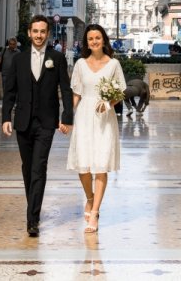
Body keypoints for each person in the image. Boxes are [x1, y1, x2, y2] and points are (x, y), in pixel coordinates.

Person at [2, 15, 73, 237]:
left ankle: (32, 218)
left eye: (43, 31)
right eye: (35, 31)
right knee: (27, 168)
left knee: (38, 167)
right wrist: (6, 117)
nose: (39, 35)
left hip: (46, 122)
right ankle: (33, 208)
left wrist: (67, 116)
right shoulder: (19, 60)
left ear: (48, 33)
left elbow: (66, 88)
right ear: (29, 33)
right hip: (22, 121)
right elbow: (10, 91)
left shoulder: (57, 58)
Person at [67, 23, 126, 233]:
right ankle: (89, 198)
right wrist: (66, 117)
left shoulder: (114, 65)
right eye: (90, 38)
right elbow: (76, 93)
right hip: (84, 116)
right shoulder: (80, 64)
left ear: (104, 40)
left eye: (98, 38)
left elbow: (120, 92)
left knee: (100, 165)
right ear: (86, 42)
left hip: (104, 118)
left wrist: (109, 103)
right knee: (83, 166)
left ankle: (95, 213)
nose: (94, 41)